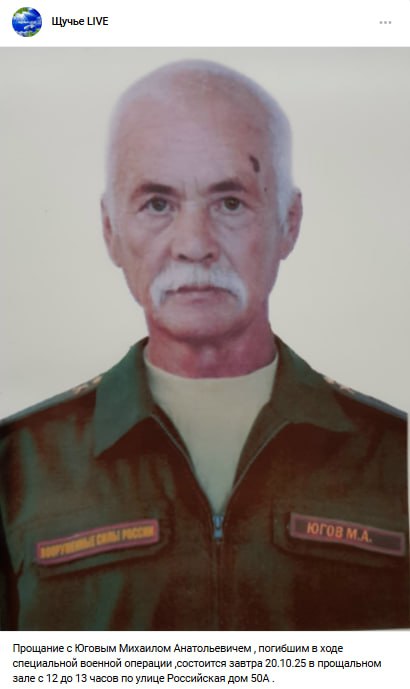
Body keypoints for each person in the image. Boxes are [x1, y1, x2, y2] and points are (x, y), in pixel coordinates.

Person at [0, 60, 408, 631]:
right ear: (110, 229)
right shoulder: (17, 466)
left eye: (230, 203)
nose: (194, 244)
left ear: (289, 222)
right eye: (158, 204)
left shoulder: (395, 456)